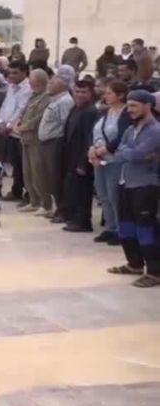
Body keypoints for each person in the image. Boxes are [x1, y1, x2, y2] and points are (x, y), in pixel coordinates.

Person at [99, 90, 160, 287]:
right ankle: (134, 263)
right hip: (126, 182)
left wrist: (126, 151)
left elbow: (134, 155)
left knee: (145, 228)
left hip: (145, 185)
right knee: (126, 226)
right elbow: (123, 154)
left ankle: (154, 271)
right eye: (129, 106)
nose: (130, 110)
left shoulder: (155, 131)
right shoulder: (130, 129)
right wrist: (128, 151)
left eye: (134, 106)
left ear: (147, 106)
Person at [91, 80, 131, 243]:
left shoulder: (126, 114)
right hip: (99, 158)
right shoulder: (105, 112)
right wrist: (92, 149)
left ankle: (122, 231)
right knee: (103, 195)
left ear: (120, 95)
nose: (105, 96)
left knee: (115, 195)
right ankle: (110, 226)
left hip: (115, 159)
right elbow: (95, 131)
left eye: (109, 93)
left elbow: (122, 135)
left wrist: (105, 149)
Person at [61, 80, 99, 232]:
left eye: (84, 92)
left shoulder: (90, 112)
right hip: (71, 156)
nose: (80, 95)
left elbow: (88, 139)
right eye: (77, 91)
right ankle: (74, 218)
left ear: (91, 94)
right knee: (74, 189)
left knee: (83, 191)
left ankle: (83, 221)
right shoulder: (75, 108)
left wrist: (83, 163)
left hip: (82, 158)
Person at [38, 73, 75, 221]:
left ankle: (63, 210)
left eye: (52, 83)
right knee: (50, 178)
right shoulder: (55, 100)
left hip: (56, 143)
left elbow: (66, 124)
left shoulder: (65, 101)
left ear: (62, 85)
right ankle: (57, 208)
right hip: (48, 143)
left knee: (57, 178)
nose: (49, 85)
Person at [16, 70, 52, 214]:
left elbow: (39, 117)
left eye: (31, 80)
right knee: (27, 171)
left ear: (39, 81)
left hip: (36, 139)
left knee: (39, 172)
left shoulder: (46, 97)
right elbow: (23, 112)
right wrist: (17, 122)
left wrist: (24, 126)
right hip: (25, 138)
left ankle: (46, 204)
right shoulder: (33, 96)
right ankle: (34, 200)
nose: (29, 83)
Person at [0, 61, 32, 203]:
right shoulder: (11, 87)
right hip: (8, 130)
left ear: (25, 73)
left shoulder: (28, 89)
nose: (11, 76)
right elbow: (5, 106)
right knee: (15, 163)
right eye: (10, 73)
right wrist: (1, 122)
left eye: (15, 73)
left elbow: (21, 109)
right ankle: (16, 190)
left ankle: (29, 193)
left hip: (19, 131)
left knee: (25, 164)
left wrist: (10, 125)